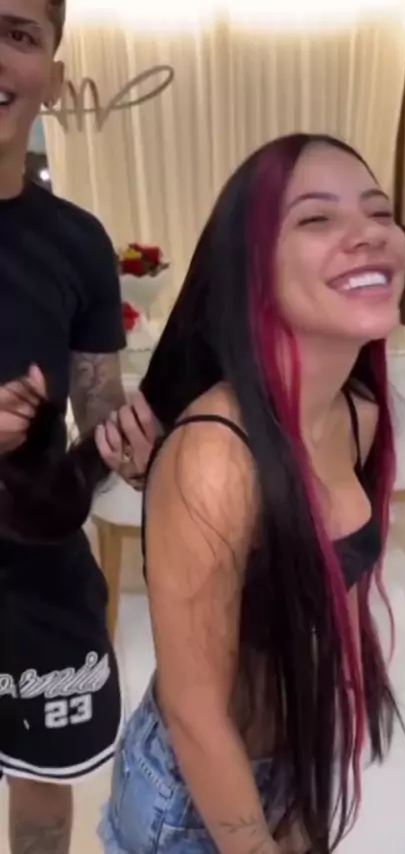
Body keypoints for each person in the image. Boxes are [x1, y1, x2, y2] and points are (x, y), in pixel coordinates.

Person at [0, 131, 405, 850]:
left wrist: (321, 762)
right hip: (190, 798)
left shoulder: (358, 416)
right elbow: (196, 716)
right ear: (251, 270)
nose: (370, 234)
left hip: (298, 760)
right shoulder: (216, 458)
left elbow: (337, 609)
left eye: (380, 212)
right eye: (317, 218)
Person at [0, 1, 156, 853]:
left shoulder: (79, 242)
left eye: (18, 32)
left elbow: (98, 418)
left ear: (54, 78)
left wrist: (138, 447)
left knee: (46, 806)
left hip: (40, 578)